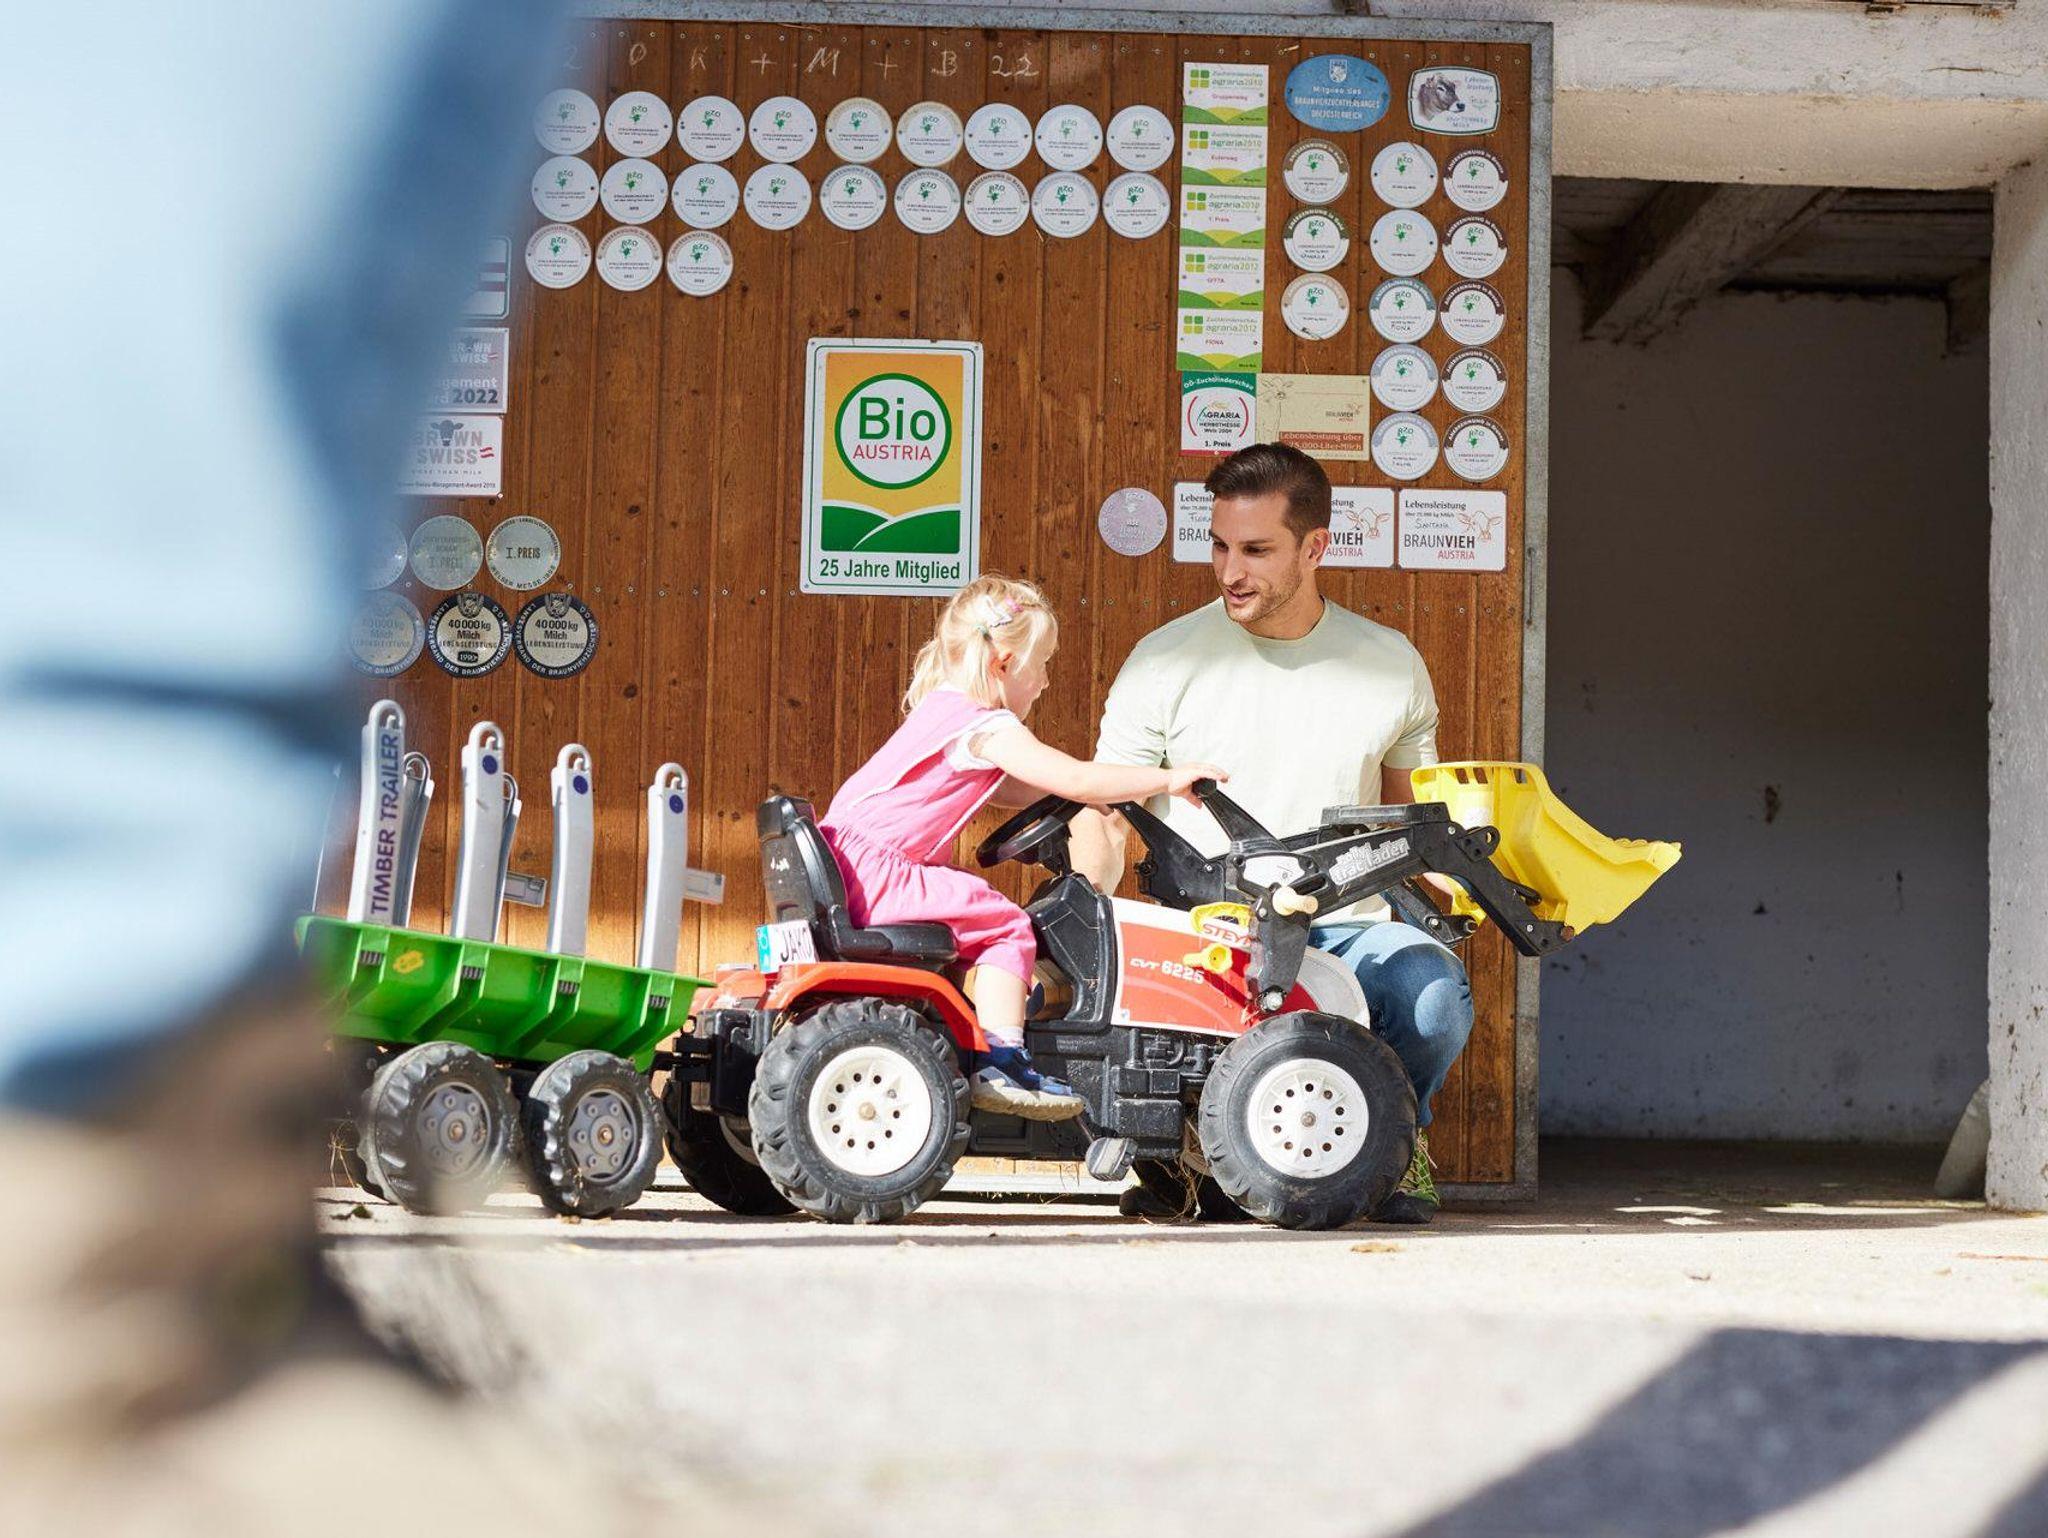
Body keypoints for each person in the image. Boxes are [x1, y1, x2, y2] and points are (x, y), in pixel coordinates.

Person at [1071, 444, 1472, 1225]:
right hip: (1205, 930)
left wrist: (1480, 891)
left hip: (1347, 928)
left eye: (1256, 550)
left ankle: (1396, 1141)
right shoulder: (1163, 662)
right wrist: (1090, 904)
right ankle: (1187, 1155)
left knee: (1432, 995)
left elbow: (1415, 822)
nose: (1230, 571)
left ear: (1314, 548)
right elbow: (1105, 809)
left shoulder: (1390, 666)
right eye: (1219, 546)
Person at [820, 575, 1226, 1119]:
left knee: (971, 911)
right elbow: (1074, 777)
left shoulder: (942, 709)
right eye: (1043, 665)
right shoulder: (988, 726)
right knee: (1008, 927)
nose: (1046, 681)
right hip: (881, 876)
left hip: (848, 865)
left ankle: (967, 1035)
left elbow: (1020, 787)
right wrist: (1166, 779)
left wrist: (1085, 793)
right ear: (1005, 664)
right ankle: (1002, 1060)